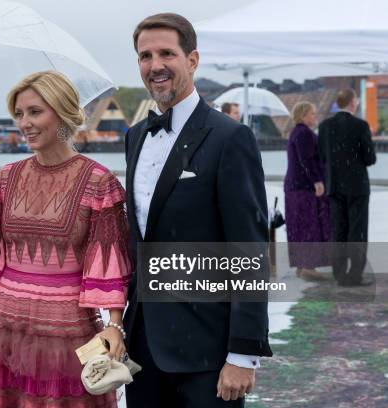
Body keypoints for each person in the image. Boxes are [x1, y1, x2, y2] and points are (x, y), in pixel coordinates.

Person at [0, 71, 132, 407]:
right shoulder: (6, 177)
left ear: (62, 112)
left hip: (66, 335)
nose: (25, 123)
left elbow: (109, 262)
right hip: (4, 327)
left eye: (35, 112)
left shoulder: (98, 181)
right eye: (19, 114)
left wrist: (114, 325)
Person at [122, 13, 272, 407]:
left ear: (192, 60)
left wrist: (243, 353)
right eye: (145, 56)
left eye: (166, 53)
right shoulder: (135, 136)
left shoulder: (230, 138)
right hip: (142, 350)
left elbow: (250, 250)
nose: (155, 66)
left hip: (208, 351)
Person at [318, 88, 376, 286]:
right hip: (357, 186)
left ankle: (339, 274)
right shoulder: (360, 126)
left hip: (334, 185)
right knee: (357, 231)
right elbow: (370, 159)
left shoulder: (325, 126)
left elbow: (322, 156)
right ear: (353, 103)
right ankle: (354, 275)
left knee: (338, 230)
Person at [283, 102, 331, 280]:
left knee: (297, 225)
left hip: (295, 186)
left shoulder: (296, 132)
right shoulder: (304, 133)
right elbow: (307, 160)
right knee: (308, 224)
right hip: (303, 187)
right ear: (303, 115)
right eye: (312, 113)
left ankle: (301, 265)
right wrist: (317, 181)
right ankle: (308, 266)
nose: (315, 117)